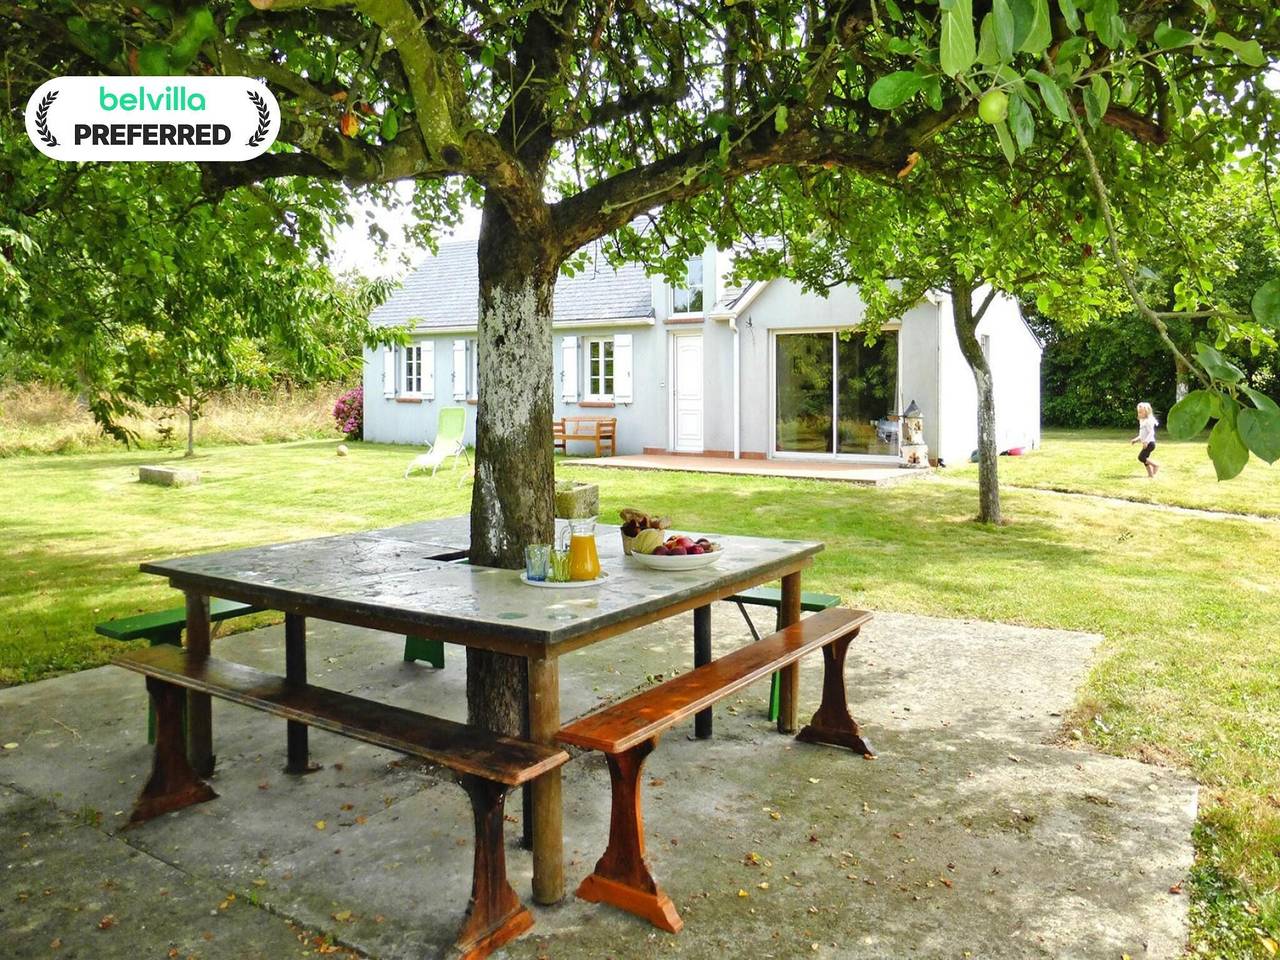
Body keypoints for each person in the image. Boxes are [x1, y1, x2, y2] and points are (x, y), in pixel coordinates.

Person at [1130, 402, 1160, 478]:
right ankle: (1150, 475)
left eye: (1141, 412)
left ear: (1146, 412)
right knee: (1145, 460)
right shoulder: (1142, 421)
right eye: (1138, 412)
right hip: (1146, 443)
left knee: (1141, 457)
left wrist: (1146, 441)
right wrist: (1136, 440)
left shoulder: (1148, 421)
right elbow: (1142, 435)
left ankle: (1155, 465)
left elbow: (1151, 432)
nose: (1139, 414)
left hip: (1150, 443)